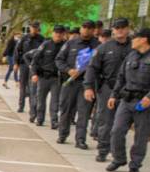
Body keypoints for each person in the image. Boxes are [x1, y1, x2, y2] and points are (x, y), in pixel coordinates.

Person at [107, 27, 150, 172]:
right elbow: (121, 78)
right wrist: (113, 95)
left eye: (135, 37)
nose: (132, 40)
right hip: (126, 100)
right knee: (116, 131)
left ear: (144, 39)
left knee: (141, 136)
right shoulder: (131, 56)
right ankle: (118, 159)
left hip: (144, 103)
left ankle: (135, 164)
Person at [84, 19, 131, 162]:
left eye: (123, 28)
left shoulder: (135, 47)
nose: (120, 30)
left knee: (122, 124)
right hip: (108, 88)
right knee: (106, 121)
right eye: (117, 28)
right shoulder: (104, 47)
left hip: (128, 91)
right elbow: (92, 68)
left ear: (128, 29)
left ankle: (117, 152)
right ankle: (103, 150)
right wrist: (88, 86)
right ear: (113, 30)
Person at [55, 19, 99, 147]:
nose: (86, 29)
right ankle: (62, 134)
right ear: (81, 28)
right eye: (84, 27)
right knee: (66, 110)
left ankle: (80, 139)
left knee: (84, 112)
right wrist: (68, 70)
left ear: (93, 30)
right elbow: (59, 60)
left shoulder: (98, 46)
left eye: (89, 28)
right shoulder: (71, 43)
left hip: (87, 85)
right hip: (70, 83)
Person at [29, 24, 67, 127]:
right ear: (53, 33)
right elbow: (35, 60)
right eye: (56, 32)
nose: (58, 35)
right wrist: (34, 73)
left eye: (60, 33)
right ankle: (40, 119)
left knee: (55, 101)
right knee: (40, 100)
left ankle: (54, 121)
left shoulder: (66, 46)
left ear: (64, 34)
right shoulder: (45, 45)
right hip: (43, 77)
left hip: (57, 78)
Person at [14, 23, 45, 117]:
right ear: (30, 28)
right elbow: (17, 50)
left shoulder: (41, 39)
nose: (34, 29)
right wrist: (16, 63)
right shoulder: (24, 38)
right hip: (24, 64)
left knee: (33, 88)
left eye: (36, 28)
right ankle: (21, 105)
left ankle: (32, 109)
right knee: (23, 86)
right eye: (33, 28)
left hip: (35, 66)